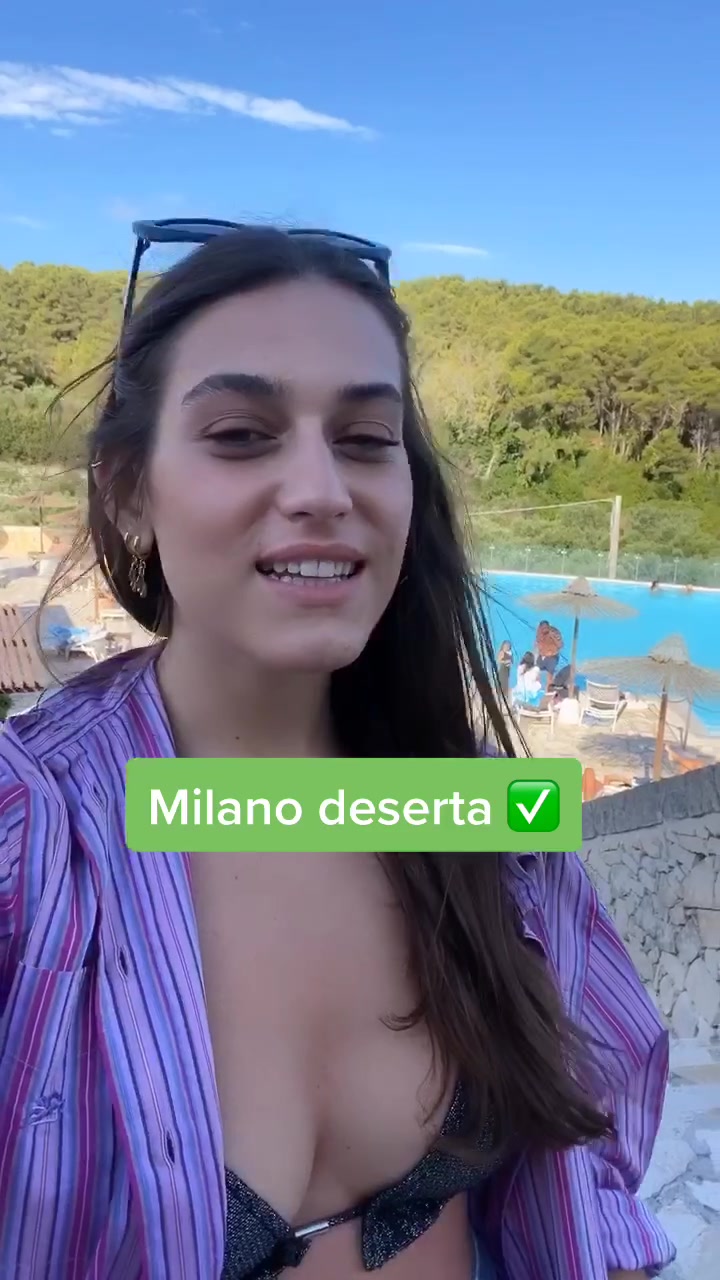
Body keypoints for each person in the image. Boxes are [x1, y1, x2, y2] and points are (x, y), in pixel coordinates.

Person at [0, 225, 674, 1280]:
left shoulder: (486, 816)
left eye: (365, 438)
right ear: (128, 488)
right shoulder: (32, 836)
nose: (322, 488)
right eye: (240, 433)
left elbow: (584, 1182)